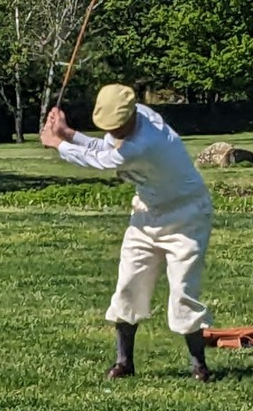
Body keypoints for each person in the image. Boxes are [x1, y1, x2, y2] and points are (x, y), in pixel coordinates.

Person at [40, 84, 214, 382]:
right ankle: (124, 362)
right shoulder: (135, 119)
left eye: (117, 127)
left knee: (184, 290)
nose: (114, 132)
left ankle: (199, 366)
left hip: (187, 216)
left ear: (130, 116)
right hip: (147, 213)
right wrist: (68, 134)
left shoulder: (146, 142)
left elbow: (104, 160)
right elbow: (106, 147)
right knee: (128, 286)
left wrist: (57, 144)